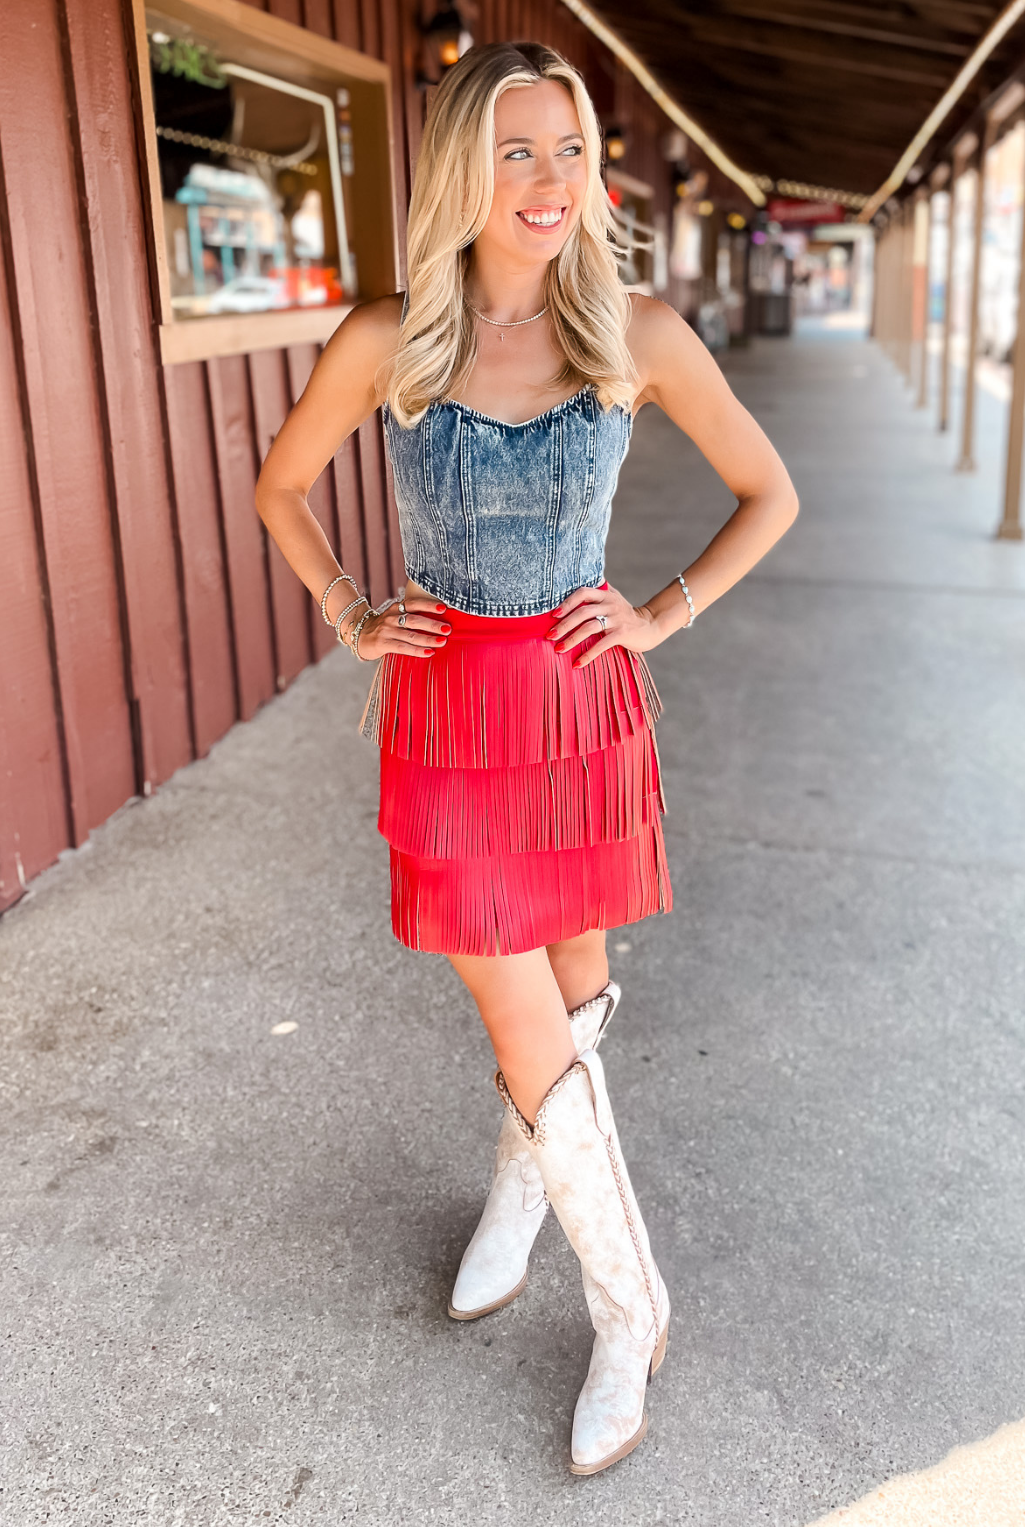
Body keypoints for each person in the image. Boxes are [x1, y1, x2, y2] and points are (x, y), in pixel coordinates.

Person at [255, 39, 798, 1476]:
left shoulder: (638, 334)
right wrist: (351, 608)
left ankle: (520, 1197)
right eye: (517, 150)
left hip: (577, 715)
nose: (552, 180)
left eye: (569, 150)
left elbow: (769, 492)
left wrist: (661, 611)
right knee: (520, 1010)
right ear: (461, 169)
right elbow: (281, 484)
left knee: (573, 992)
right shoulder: (388, 339)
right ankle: (634, 1308)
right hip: (445, 717)